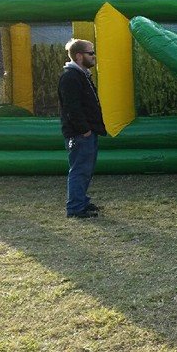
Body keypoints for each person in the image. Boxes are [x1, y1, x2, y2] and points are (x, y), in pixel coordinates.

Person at [58, 39, 106, 219]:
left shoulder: (81, 75)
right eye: (90, 53)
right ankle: (76, 208)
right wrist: (84, 130)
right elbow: (72, 108)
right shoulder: (70, 77)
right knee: (79, 169)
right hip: (80, 134)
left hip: (87, 132)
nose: (94, 56)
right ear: (79, 56)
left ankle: (81, 202)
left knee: (86, 168)